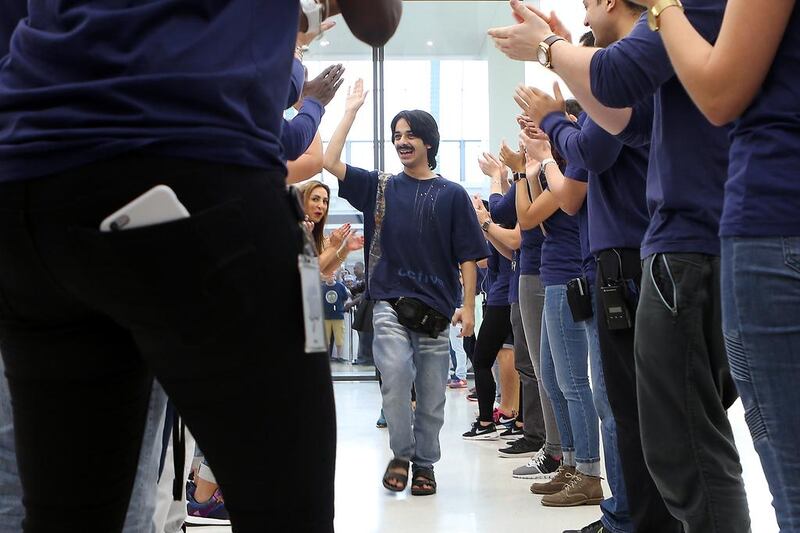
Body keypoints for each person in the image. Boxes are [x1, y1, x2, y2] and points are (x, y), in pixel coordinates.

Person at [0, 2, 402, 532]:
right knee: (287, 509)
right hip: (193, 171)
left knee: (64, 513)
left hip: (31, 180)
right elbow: (377, 18)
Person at [489, 1, 750, 530]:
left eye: (587, 5)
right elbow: (620, 120)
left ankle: (631, 515)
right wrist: (562, 68)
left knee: (669, 431)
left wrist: (550, 89)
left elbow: (591, 151)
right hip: (663, 247)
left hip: (672, 248)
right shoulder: (664, 34)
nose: (584, 13)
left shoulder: (675, 21)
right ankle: (631, 515)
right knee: (658, 426)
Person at [625, 0, 800, 528]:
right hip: (735, 228)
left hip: (762, 219)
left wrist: (660, 6)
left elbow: (720, 92)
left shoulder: (689, 11)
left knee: (700, 444)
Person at [324, 79, 487, 496]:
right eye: (397, 136)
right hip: (388, 303)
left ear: (429, 141)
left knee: (432, 396)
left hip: (435, 310)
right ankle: (401, 453)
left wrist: (467, 308)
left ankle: (425, 463)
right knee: (395, 375)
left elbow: (468, 257)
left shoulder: (452, 195)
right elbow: (329, 159)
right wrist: (351, 110)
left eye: (410, 134)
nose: (402, 142)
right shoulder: (381, 187)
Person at [322, 274, 351, 361]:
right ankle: (326, 357)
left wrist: (343, 307)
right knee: (325, 338)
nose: (329, 277)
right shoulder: (321, 287)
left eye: (331, 275)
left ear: (334, 276)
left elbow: (346, 298)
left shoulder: (340, 286)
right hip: (325, 316)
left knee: (339, 337)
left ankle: (339, 356)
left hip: (338, 315)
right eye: (328, 275)